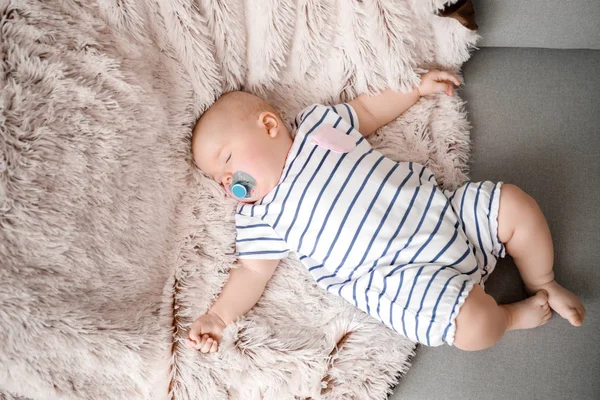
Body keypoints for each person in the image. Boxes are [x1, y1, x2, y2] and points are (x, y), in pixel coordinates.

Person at [187, 70, 586, 353]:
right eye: (219, 179)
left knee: (514, 203)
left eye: (227, 162)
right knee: (476, 327)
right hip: (400, 279)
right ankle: (512, 317)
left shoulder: (317, 127)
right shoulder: (262, 215)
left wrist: (414, 89)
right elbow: (252, 271)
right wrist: (218, 318)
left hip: (445, 215)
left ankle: (544, 281)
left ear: (269, 126)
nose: (227, 183)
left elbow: (367, 112)